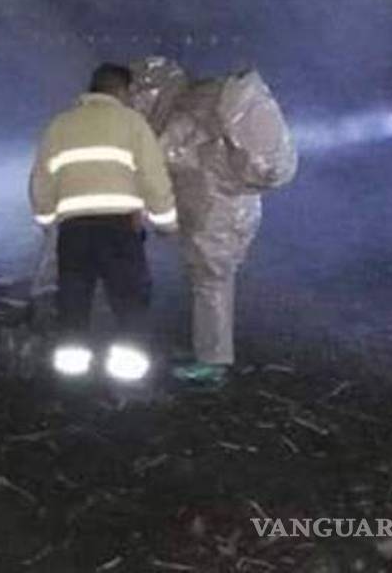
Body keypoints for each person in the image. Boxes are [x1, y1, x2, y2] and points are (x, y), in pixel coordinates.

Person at [127, 57, 298, 386]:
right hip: (230, 208)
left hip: (216, 213)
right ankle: (206, 350)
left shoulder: (183, 115)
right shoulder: (205, 100)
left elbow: (165, 161)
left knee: (211, 284)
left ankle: (212, 361)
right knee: (210, 282)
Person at [29, 63, 178, 381]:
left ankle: (71, 376)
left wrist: (46, 219)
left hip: (74, 231)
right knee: (129, 302)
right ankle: (127, 375)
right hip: (120, 229)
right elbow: (154, 176)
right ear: (122, 90)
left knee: (73, 300)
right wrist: (165, 221)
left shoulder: (61, 125)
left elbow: (41, 179)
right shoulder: (132, 123)